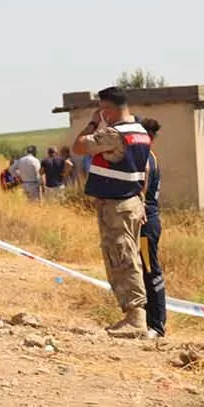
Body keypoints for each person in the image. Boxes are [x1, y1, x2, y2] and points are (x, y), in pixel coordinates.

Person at [74, 86, 153, 339]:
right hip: (131, 202)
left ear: (108, 109)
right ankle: (135, 316)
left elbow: (79, 147)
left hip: (117, 206)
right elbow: (145, 171)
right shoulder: (140, 132)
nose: (102, 115)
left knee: (122, 258)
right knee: (128, 256)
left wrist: (92, 124)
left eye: (102, 110)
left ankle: (135, 318)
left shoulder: (114, 133)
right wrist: (141, 201)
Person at [139, 118, 167, 338]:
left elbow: (142, 189)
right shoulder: (150, 156)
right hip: (149, 220)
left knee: (150, 270)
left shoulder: (145, 159)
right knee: (144, 270)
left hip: (146, 223)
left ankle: (156, 325)